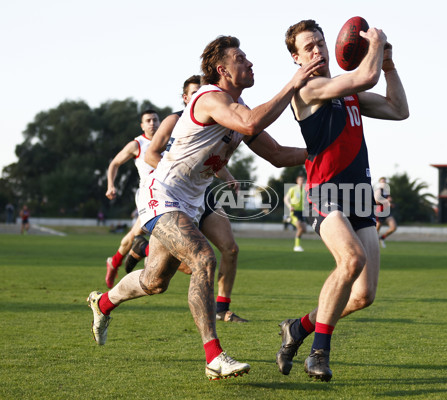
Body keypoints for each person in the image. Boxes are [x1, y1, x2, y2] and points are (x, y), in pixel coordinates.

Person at [87, 35, 323, 380]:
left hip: (190, 203)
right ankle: (214, 356)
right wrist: (293, 83)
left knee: (155, 282)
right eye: (241, 58)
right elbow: (251, 123)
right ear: (221, 69)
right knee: (204, 257)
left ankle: (103, 302)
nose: (250, 62)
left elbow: (277, 155)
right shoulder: (211, 97)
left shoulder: (239, 112)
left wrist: (323, 151)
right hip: (162, 193)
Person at [276, 20, 409, 382]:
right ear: (296, 58)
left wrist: (390, 66)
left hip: (360, 195)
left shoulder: (347, 93)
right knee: (351, 259)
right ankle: (319, 352)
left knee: (364, 295)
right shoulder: (309, 89)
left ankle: (298, 329)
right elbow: (364, 78)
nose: (318, 50)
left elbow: (399, 110)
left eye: (321, 42)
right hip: (327, 193)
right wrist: (376, 46)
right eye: (309, 47)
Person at [137, 74, 248, 322]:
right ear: (186, 97)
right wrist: (181, 172)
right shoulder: (174, 120)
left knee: (230, 249)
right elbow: (151, 154)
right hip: (174, 192)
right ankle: (143, 248)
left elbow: (210, 157)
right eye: (197, 91)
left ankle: (222, 309)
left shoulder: (221, 117)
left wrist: (227, 176)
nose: (205, 93)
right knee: (172, 271)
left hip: (203, 191)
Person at [103, 109, 160, 288]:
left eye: (155, 120)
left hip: (168, 194)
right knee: (150, 233)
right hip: (147, 197)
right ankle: (144, 254)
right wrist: (111, 185)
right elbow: (114, 163)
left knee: (134, 234)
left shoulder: (169, 141)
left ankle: (114, 262)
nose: (152, 123)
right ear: (142, 125)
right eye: (148, 120)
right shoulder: (137, 144)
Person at [284, 175, 307, 252]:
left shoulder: (306, 189)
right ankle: (297, 246)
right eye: (300, 180)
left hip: (302, 211)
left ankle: (290, 221)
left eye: (303, 180)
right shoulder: (293, 189)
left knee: (304, 229)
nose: (301, 181)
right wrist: (289, 206)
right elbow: (286, 199)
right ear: (297, 181)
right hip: (295, 211)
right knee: (300, 228)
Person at [374, 176, 397, 248]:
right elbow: (376, 201)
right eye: (382, 182)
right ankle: (373, 244)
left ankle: (382, 238)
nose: (383, 183)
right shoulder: (378, 191)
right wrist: (387, 202)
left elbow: (388, 202)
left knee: (393, 227)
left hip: (387, 212)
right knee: (376, 231)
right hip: (379, 212)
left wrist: (391, 204)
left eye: (384, 181)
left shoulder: (387, 192)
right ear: (380, 183)